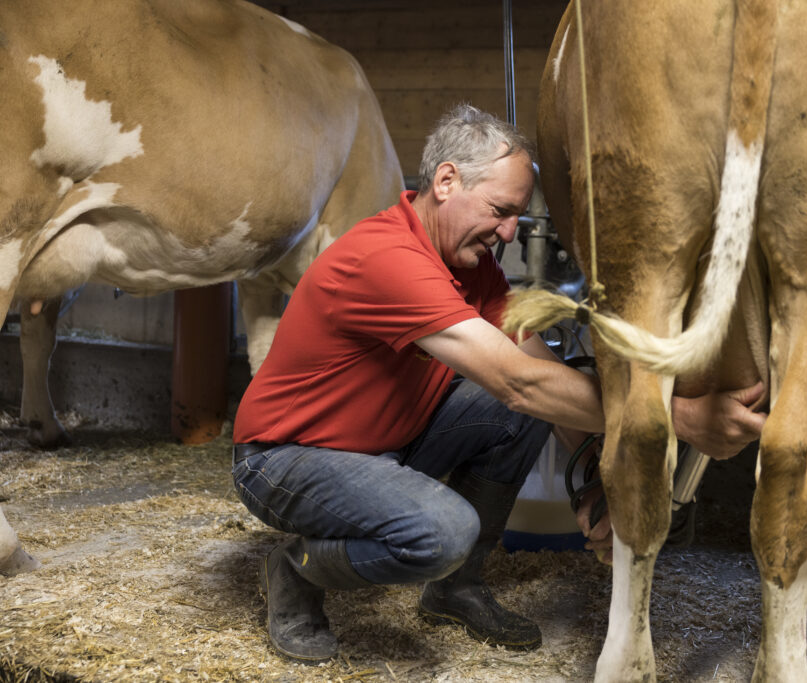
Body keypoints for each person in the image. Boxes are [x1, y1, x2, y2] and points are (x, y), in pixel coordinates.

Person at [231, 103, 765, 663]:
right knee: (443, 533)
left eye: (516, 215)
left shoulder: (472, 265)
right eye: (501, 210)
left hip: (382, 447)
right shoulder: (385, 257)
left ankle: (455, 589)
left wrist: (590, 476)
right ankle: (296, 570)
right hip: (285, 459)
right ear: (445, 181)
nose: (510, 231)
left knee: (524, 406)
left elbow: (539, 373)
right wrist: (680, 418)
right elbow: (517, 382)